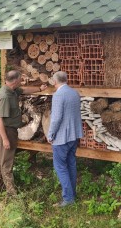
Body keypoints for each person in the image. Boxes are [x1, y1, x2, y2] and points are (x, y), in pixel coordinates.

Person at [0, 70, 47, 195]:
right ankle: (11, 193)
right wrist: (5, 139)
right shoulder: (4, 96)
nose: (22, 81)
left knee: (0, 159)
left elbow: (24, 90)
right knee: (7, 162)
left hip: (10, 130)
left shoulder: (12, 90)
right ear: (15, 81)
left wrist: (39, 88)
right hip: (6, 131)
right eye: (20, 79)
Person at [47, 71, 83, 207]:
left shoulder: (58, 95)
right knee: (71, 164)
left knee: (60, 167)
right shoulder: (74, 93)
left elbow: (56, 119)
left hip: (61, 137)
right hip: (74, 135)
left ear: (54, 82)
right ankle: (72, 194)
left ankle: (68, 199)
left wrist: (50, 134)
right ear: (66, 80)